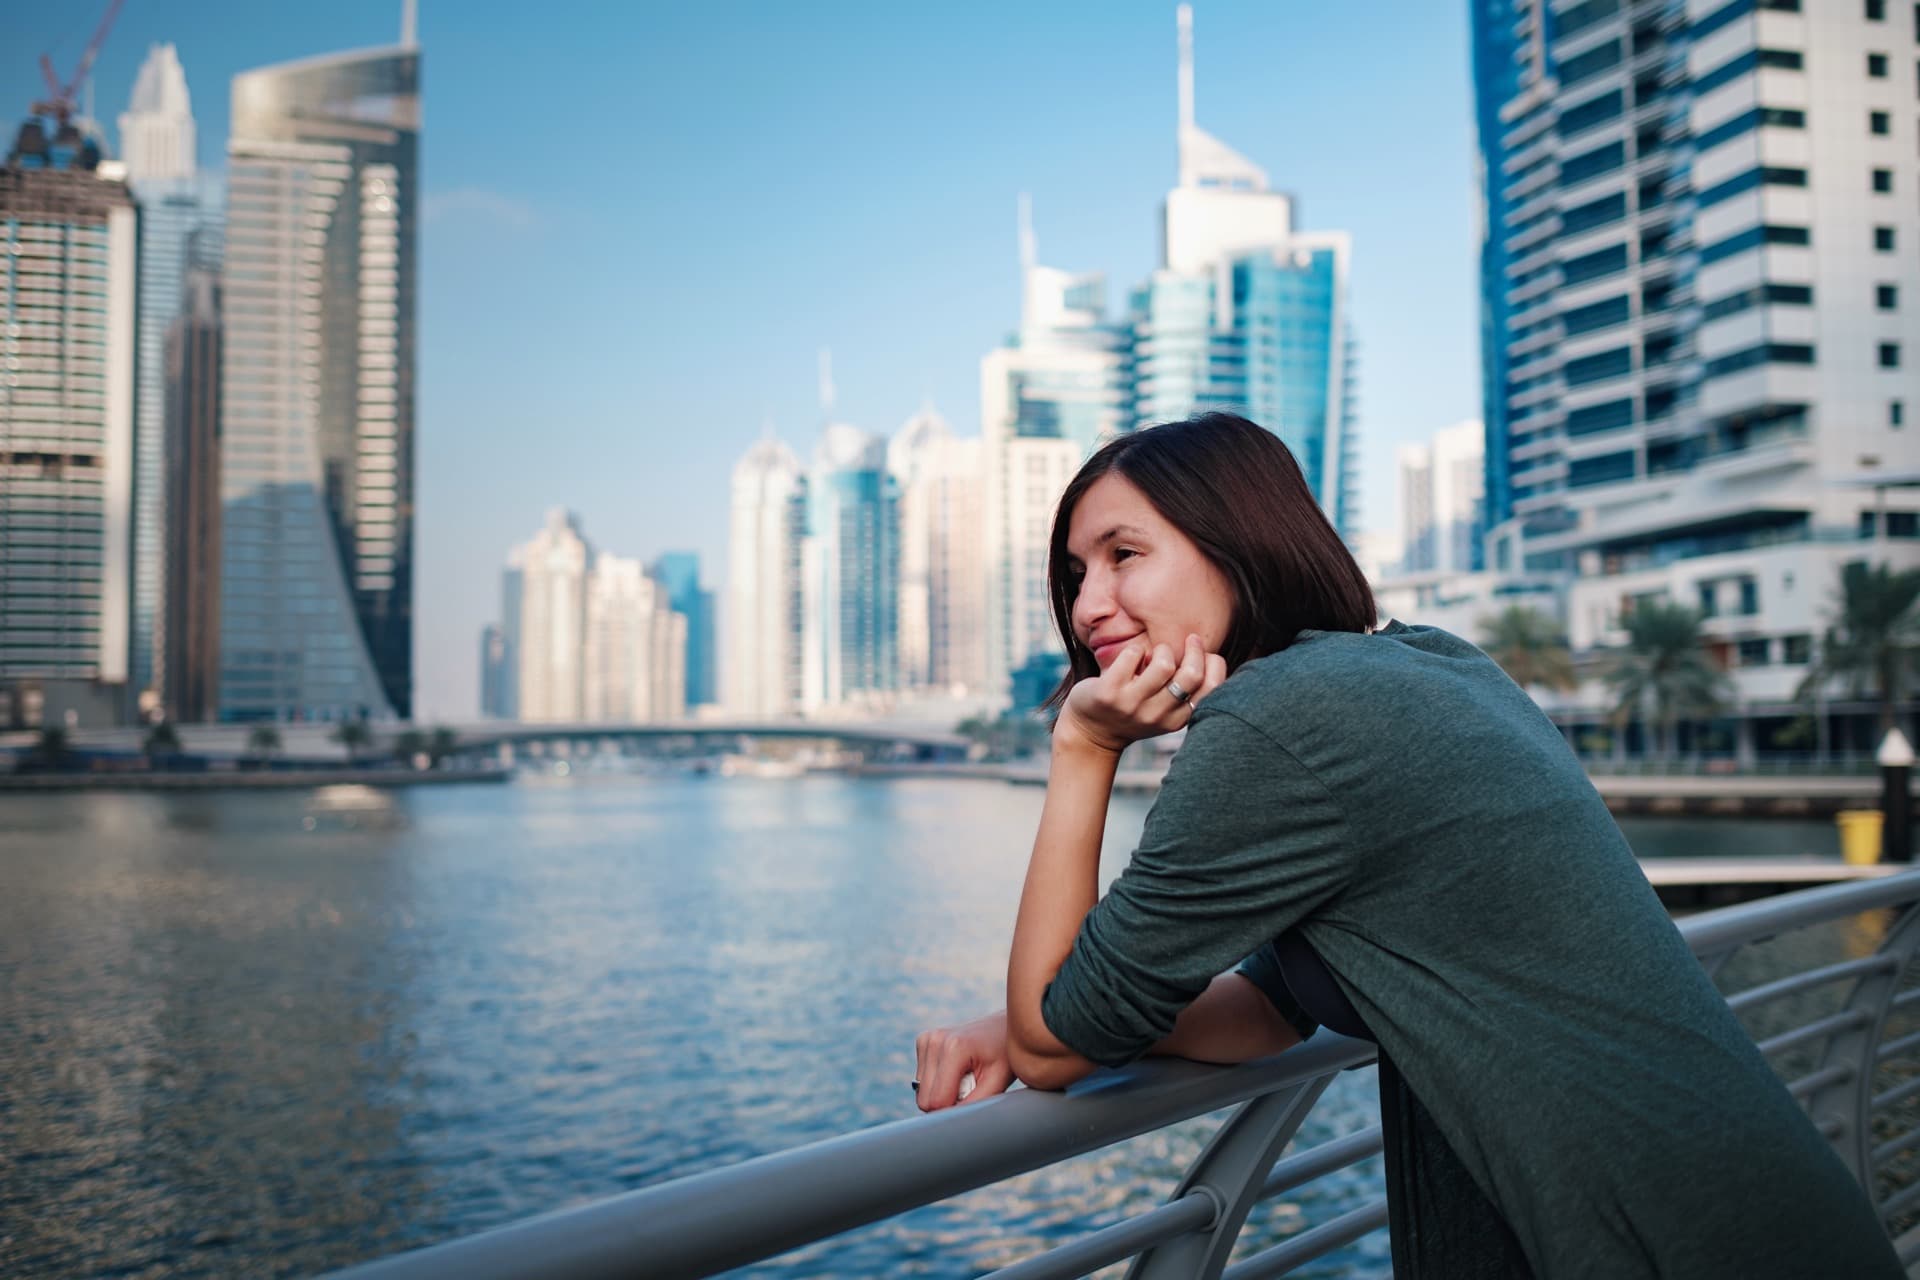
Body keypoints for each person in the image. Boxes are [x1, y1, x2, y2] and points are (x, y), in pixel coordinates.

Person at [912, 413, 1900, 1277]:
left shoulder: (1274, 722)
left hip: (1649, 1238)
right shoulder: (1431, 660)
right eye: (1075, 574)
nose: (1085, 608)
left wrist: (1083, 748)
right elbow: (1270, 1008)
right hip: (1769, 1203)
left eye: (1124, 555)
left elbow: (1051, 1052)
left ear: (1237, 543)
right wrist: (1062, 1011)